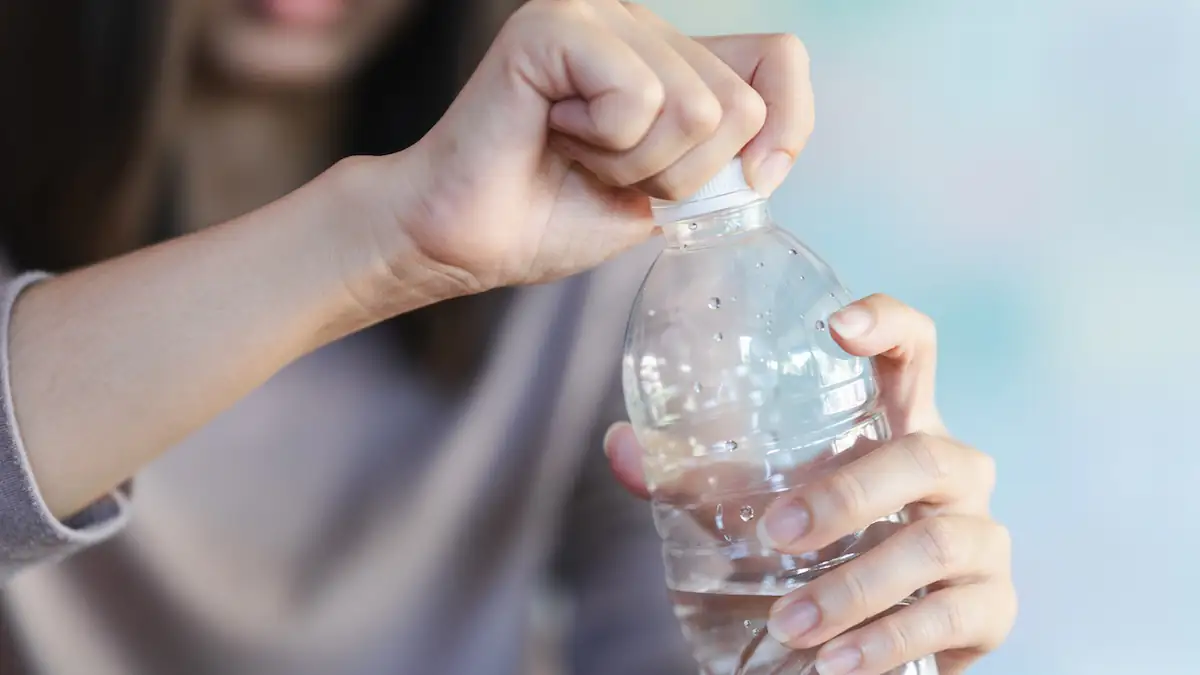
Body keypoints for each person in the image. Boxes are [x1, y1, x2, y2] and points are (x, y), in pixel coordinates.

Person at [0, 2, 1016, 675]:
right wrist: (387, 242)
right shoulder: (487, 228)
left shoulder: (577, 263)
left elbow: (683, 647)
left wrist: (847, 620)